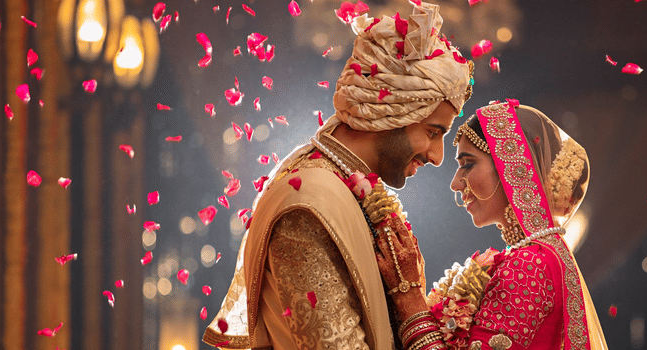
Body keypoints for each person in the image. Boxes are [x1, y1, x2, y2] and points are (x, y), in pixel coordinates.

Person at [203, 3, 473, 349]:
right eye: (433, 132)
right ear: (391, 113)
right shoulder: (309, 206)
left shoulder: (340, 186)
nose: (437, 156)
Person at [374, 101, 608, 350]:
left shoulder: (528, 264)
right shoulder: (540, 254)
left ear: (512, 168)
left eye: (468, 164)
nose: (455, 183)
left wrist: (409, 299)